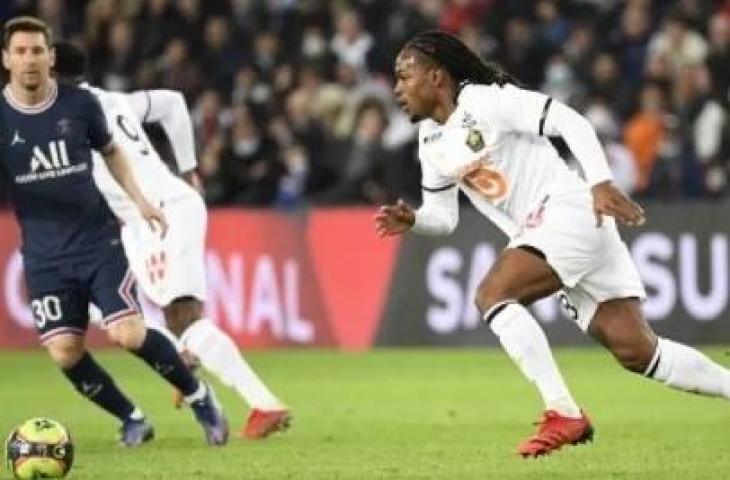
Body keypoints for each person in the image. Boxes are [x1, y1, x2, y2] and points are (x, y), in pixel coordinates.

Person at [376, 30, 730, 458]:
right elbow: (444, 218)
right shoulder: (430, 141)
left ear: (435, 78)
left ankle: (562, 412)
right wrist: (414, 220)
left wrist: (600, 182)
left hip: (568, 209)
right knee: (636, 350)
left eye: (403, 76)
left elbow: (570, 120)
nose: (396, 88)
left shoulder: (487, 101)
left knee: (493, 294)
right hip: (556, 228)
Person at [0, 17, 228, 447]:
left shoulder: (79, 105)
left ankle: (201, 397)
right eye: (20, 51)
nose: (29, 60)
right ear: (6, 59)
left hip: (95, 241)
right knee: (64, 352)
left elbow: (112, 152)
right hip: (43, 254)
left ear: (50, 58)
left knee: (127, 333)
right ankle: (132, 418)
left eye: (36, 51)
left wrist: (140, 201)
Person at [52, 41, 291, 440]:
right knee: (118, 313)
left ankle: (264, 404)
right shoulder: (113, 99)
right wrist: (189, 166)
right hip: (140, 222)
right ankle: (184, 364)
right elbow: (172, 103)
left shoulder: (70, 117)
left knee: (183, 315)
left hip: (160, 211)